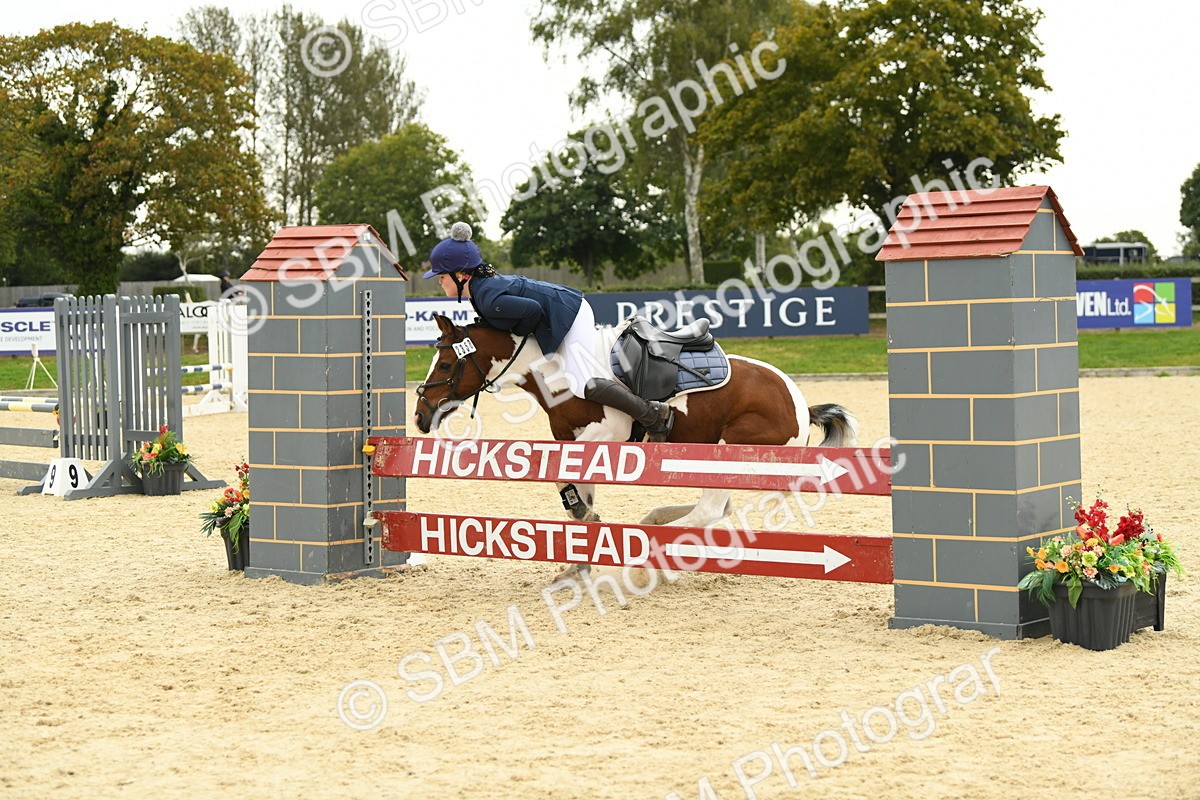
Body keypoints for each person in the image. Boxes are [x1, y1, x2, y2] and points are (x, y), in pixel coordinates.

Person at [423, 222, 674, 440]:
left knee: (581, 383)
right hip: (560, 312)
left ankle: (652, 414)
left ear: (460, 275)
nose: (439, 281)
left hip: (572, 314)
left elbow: (532, 311)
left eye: (441, 276)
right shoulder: (480, 292)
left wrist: (522, 332)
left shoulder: (487, 298)